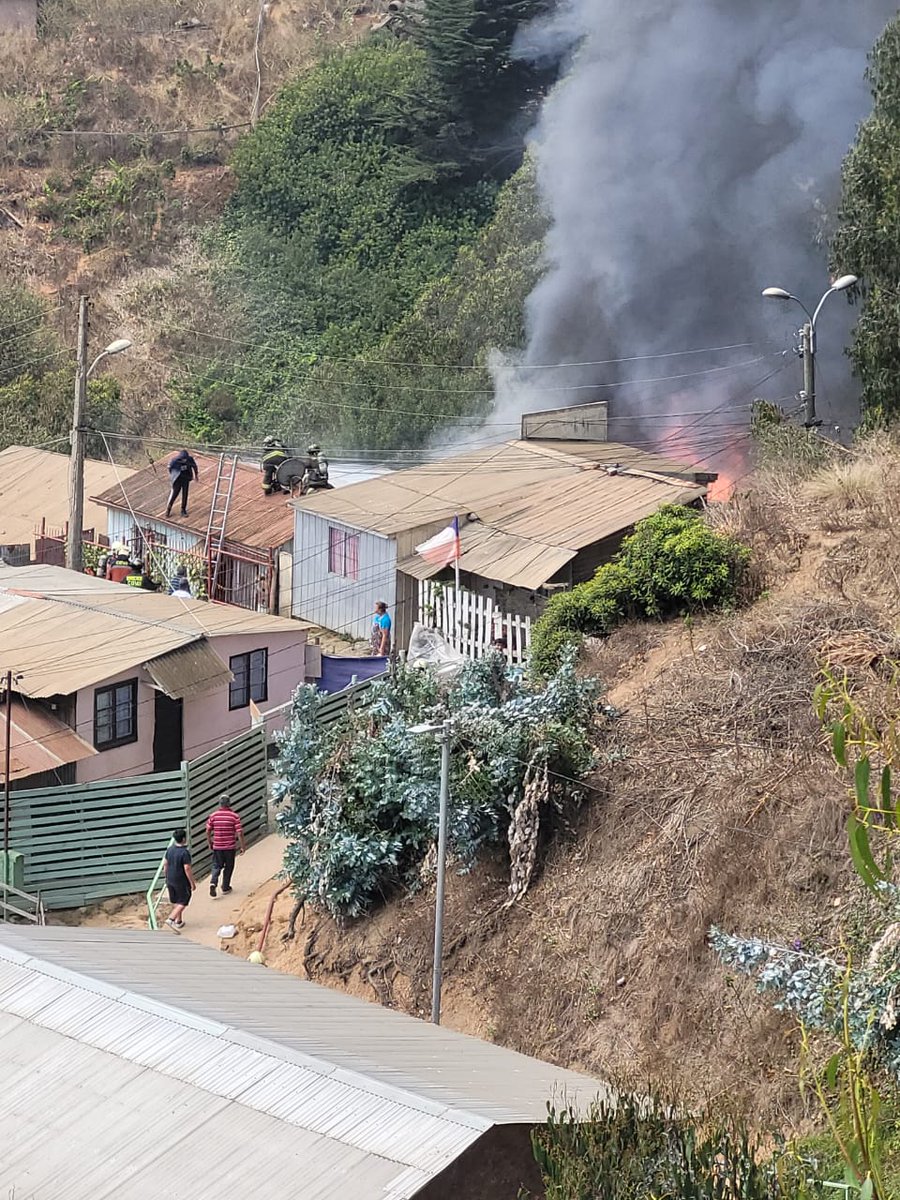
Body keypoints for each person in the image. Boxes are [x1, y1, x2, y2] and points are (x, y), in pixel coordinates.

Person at [206, 793, 246, 897]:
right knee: (229, 866)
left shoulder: (213, 816)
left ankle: (213, 882)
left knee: (216, 865)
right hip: (230, 847)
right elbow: (239, 832)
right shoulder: (234, 816)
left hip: (217, 847)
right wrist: (242, 846)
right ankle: (225, 886)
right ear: (229, 803)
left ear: (220, 804)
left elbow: (208, 830)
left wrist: (210, 842)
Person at [162, 827, 196, 932]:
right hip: (181, 880)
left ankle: (179, 921)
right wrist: (192, 883)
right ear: (183, 839)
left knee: (176, 900)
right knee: (184, 900)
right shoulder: (184, 853)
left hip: (170, 879)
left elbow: (165, 864)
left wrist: (166, 877)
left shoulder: (169, 850)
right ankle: (171, 919)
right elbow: (187, 868)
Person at [166, 448, 199, 518]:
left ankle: (183, 510)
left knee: (185, 494)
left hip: (186, 478)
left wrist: (196, 475)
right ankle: (168, 509)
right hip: (177, 478)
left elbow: (194, 466)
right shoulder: (175, 460)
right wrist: (172, 475)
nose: (184, 460)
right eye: (182, 459)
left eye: (185, 459)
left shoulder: (190, 459)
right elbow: (169, 467)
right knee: (175, 494)